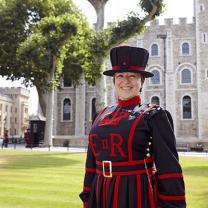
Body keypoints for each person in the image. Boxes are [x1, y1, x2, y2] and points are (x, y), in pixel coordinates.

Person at [79, 46, 186, 208]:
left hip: (135, 194)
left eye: (132, 76)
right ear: (114, 81)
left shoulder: (154, 115)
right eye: (120, 75)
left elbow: (169, 170)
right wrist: (88, 196)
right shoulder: (100, 115)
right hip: (100, 192)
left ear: (141, 81)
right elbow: (91, 164)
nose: (125, 81)